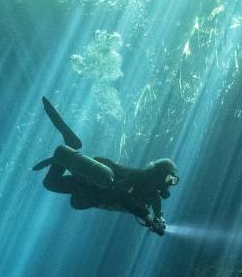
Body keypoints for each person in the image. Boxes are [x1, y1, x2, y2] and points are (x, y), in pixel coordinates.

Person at [32, 96, 179, 235]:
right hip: (96, 180)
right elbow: (121, 195)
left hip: (91, 191)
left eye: (172, 181)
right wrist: (147, 216)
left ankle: (67, 151)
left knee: (50, 183)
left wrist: (157, 221)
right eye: (169, 179)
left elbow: (155, 211)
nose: (170, 184)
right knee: (105, 179)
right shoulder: (139, 179)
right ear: (159, 175)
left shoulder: (153, 195)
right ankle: (70, 146)